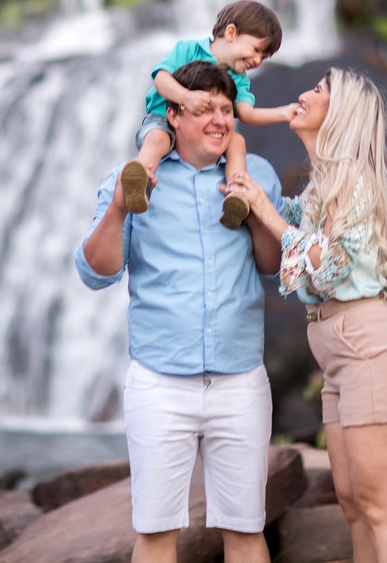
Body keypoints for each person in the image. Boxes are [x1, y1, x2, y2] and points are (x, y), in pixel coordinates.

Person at [75, 60, 284, 563]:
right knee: (154, 533)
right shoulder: (132, 178)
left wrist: (255, 209)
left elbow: (272, 266)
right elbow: (96, 272)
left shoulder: (257, 175)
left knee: (246, 530)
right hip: (159, 382)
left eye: (226, 109)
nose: (219, 119)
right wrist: (121, 208)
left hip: (240, 381)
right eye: (205, 108)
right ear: (173, 115)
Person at [225, 68, 387, 563]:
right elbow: (294, 224)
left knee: (380, 507)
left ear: (340, 115)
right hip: (339, 356)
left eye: (318, 91)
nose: (303, 95)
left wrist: (266, 212)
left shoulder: (353, 182)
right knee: (353, 505)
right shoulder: (322, 188)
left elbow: (329, 267)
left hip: (368, 349)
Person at [120, 0, 297, 230]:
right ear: (231, 32)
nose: (257, 60)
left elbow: (245, 113)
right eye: (256, 50)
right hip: (164, 120)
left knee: (237, 142)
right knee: (157, 139)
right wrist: (186, 98)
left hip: (207, 133)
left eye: (264, 57)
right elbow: (160, 78)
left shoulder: (239, 79)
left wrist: (282, 114)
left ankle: (236, 194)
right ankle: (139, 182)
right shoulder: (188, 50)